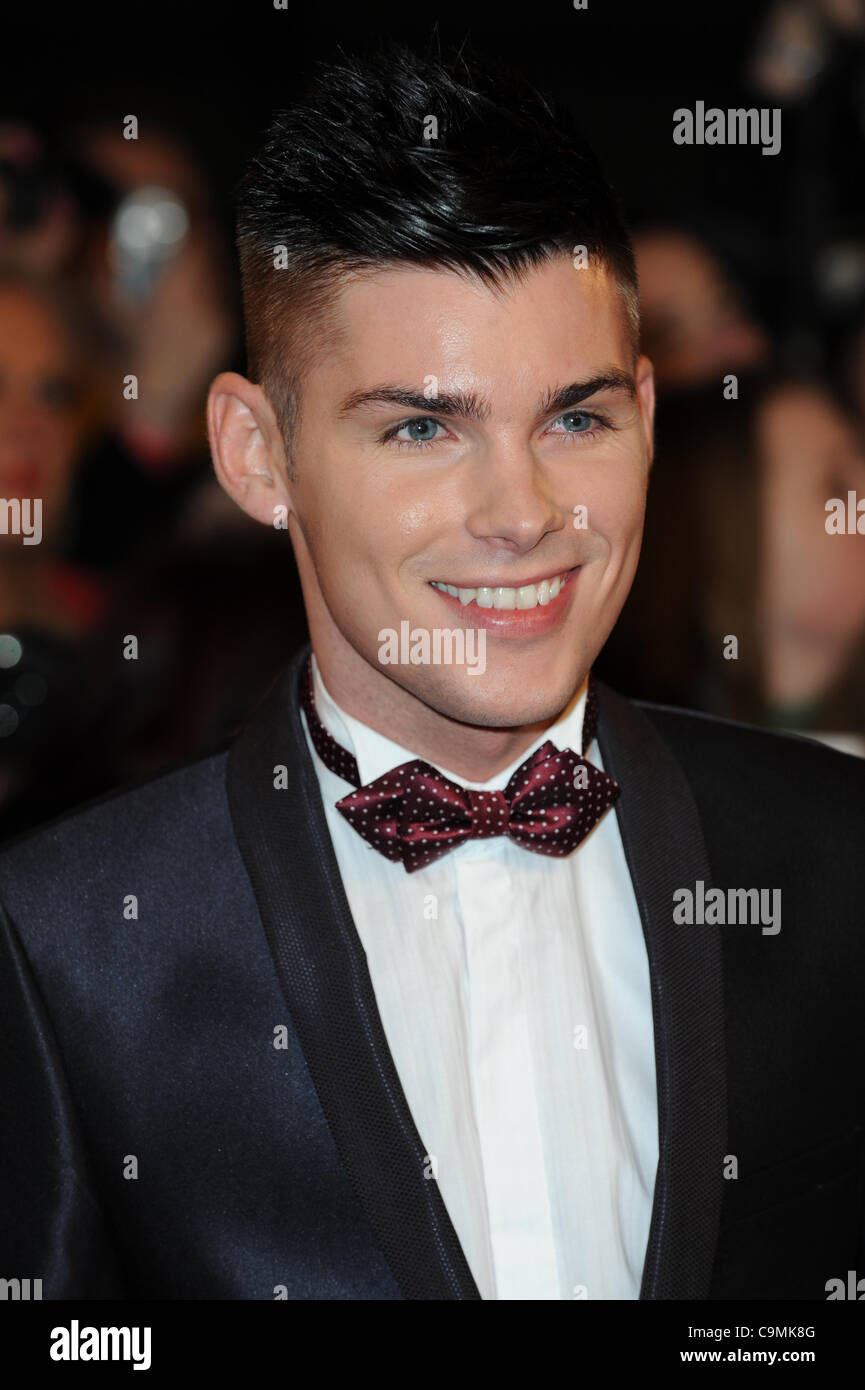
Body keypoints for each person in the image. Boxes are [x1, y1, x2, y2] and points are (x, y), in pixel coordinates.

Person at [1, 41, 863, 1303]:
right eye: (421, 427)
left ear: (647, 414)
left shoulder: (833, 856)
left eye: (575, 419)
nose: (520, 513)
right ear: (257, 454)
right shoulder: (72, 945)